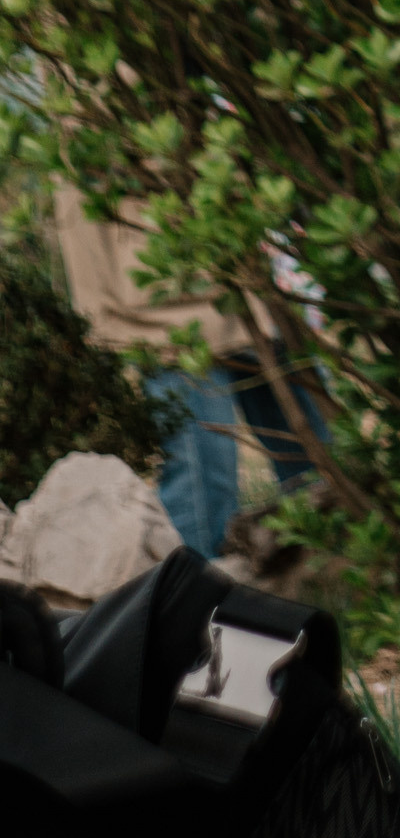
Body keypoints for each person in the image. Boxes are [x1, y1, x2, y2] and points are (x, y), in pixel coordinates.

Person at [53, 186, 323, 562]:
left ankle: (335, 588)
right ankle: (198, 613)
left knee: (320, 467)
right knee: (202, 494)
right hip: (167, 313)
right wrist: (107, 318)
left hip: (251, 288)